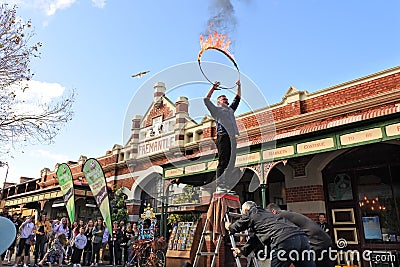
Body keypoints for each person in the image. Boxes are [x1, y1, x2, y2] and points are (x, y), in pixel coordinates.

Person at [225, 201, 315, 267]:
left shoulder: (253, 212)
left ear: (246, 210)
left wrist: (230, 227)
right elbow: (256, 239)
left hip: (283, 240)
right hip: (302, 238)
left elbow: (239, 225)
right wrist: (242, 251)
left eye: (243, 214)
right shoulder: (268, 215)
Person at [267, 203, 335, 267]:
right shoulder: (289, 214)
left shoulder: (280, 217)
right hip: (324, 241)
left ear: (273, 211)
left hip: (315, 243)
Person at [203, 80, 241, 191]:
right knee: (223, 162)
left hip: (232, 138)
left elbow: (237, 98)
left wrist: (239, 85)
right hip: (223, 136)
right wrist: (213, 89)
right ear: (218, 102)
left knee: (231, 163)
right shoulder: (216, 110)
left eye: (226, 99)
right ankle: (220, 185)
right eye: (223, 98)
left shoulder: (230, 110)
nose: (226, 99)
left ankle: (226, 185)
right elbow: (206, 100)